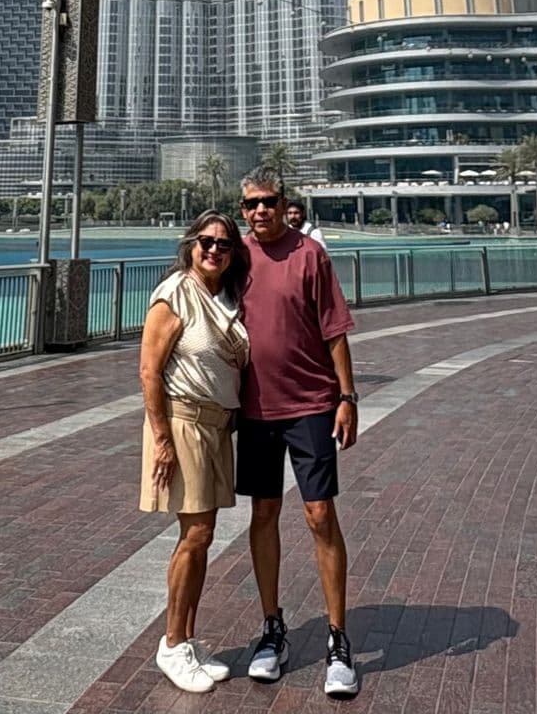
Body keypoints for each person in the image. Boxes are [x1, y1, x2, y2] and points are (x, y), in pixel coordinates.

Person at [237, 169, 361, 698]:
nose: (259, 212)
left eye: (267, 202)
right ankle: (272, 628)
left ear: (283, 204)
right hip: (255, 410)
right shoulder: (234, 257)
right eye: (250, 205)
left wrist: (348, 397)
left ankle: (338, 638)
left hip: (311, 405)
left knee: (319, 514)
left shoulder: (310, 255)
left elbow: (334, 331)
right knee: (263, 512)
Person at [138, 210, 251, 695]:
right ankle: (170, 644)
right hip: (182, 423)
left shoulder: (223, 299)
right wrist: (162, 438)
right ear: (190, 245)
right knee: (196, 533)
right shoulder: (174, 294)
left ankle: (184, 638)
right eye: (206, 241)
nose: (213, 250)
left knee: (202, 537)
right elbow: (149, 371)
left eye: (223, 245)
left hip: (216, 426)